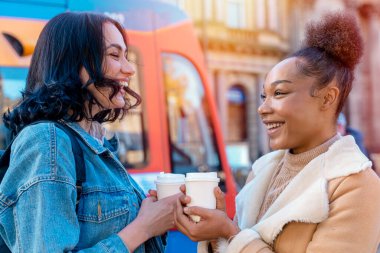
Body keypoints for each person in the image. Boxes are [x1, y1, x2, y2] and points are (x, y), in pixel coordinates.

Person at [174, 12, 380, 253]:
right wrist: (216, 235)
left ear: (327, 97)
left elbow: (239, 240)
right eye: (264, 96)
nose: (262, 108)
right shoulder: (262, 171)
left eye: (279, 93)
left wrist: (229, 232)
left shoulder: (357, 186)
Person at [0, 12, 179, 252]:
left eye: (126, 56)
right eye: (115, 55)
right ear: (74, 63)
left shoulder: (90, 141)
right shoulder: (47, 141)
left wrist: (152, 213)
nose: (129, 69)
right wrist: (143, 228)